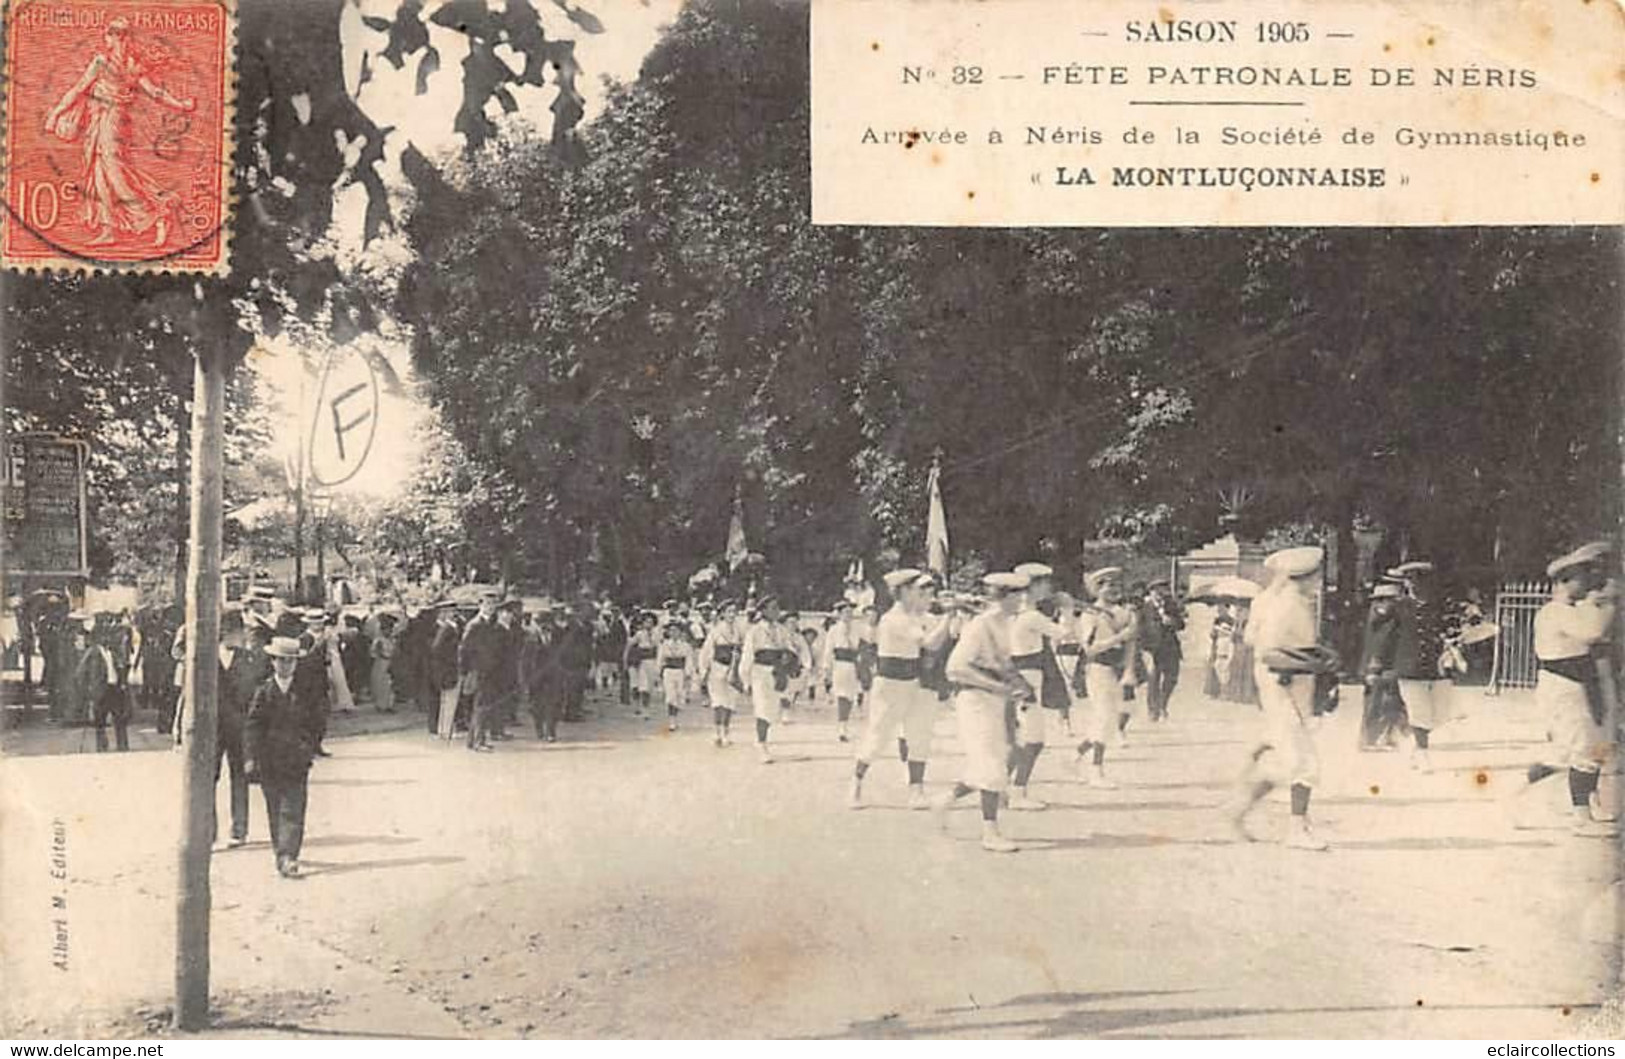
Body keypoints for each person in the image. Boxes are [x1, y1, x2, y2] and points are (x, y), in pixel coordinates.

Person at [41, 16, 195, 248]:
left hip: (114, 123)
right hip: (98, 121)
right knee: (99, 174)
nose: (119, 40)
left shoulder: (132, 66)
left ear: (127, 39)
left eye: (123, 36)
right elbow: (78, 89)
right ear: (109, 38)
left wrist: (181, 105)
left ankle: (157, 214)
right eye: (116, 35)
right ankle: (109, 229)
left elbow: (155, 92)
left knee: (114, 173)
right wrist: (56, 113)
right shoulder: (101, 63)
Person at [1229, 546, 1332, 851]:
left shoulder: (1290, 601)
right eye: (1317, 575)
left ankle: (1239, 808)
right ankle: (1296, 830)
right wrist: (1316, 663)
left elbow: (1278, 644)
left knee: (1283, 760)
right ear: (1308, 576)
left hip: (1293, 687)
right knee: (1304, 762)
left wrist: (1317, 656)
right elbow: (1268, 652)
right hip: (1283, 687)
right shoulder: (1287, 605)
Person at [1516, 542, 1618, 837]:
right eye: (1583, 578)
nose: (1589, 584)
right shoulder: (1554, 611)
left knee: (1598, 745)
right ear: (1565, 581)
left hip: (1582, 683)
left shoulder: (1574, 609)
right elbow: (1594, 632)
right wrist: (1605, 603)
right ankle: (1577, 815)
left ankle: (1587, 804)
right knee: (1575, 751)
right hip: (1563, 687)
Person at [931, 572, 1033, 853]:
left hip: (995, 699)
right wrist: (998, 688)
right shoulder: (981, 625)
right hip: (974, 700)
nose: (1022, 599)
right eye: (1016, 594)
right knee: (991, 765)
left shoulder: (1004, 623)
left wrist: (1017, 684)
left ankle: (946, 800)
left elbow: (1001, 662)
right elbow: (955, 669)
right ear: (1002, 597)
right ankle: (990, 832)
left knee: (993, 762)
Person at [849, 570, 952, 809]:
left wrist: (954, 615)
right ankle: (855, 782)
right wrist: (949, 615)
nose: (922, 595)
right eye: (917, 590)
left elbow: (942, 636)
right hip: (890, 684)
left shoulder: (918, 616)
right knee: (878, 738)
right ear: (904, 592)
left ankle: (916, 791)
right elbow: (930, 643)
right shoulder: (893, 619)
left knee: (919, 736)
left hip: (914, 682)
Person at [244, 637, 325, 879]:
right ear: (273, 662)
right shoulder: (264, 692)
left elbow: (317, 721)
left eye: (290, 661)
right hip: (269, 761)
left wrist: (310, 746)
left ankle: (289, 855)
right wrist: (250, 757)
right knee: (275, 807)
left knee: (294, 806)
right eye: (281, 661)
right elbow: (252, 726)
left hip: (296, 760)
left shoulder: (306, 692)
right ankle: (281, 851)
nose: (286, 666)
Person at [1005, 563, 1069, 810]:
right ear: (1033, 587)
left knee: (1024, 738)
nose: (1049, 587)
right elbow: (1064, 634)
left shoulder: (1016, 614)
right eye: (1044, 583)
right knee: (1034, 739)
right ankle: (1017, 792)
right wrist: (1068, 610)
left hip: (1023, 677)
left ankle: (1001, 786)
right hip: (1027, 678)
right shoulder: (1031, 616)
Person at [1387, 561, 1458, 772]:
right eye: (1410, 580)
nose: (1415, 585)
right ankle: (1423, 754)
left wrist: (1451, 651)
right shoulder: (1397, 607)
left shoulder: (1440, 606)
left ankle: (1410, 742)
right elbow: (1386, 637)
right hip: (1410, 668)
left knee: (1440, 716)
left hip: (1437, 668)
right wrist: (1380, 665)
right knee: (1420, 713)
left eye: (1420, 580)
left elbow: (1451, 632)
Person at [1072, 567, 1138, 789]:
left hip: (1117, 669)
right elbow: (1089, 649)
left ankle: (1077, 755)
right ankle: (1096, 771)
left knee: (1111, 720)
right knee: (1104, 719)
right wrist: (1118, 637)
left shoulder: (1125, 613)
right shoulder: (1091, 615)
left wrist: (1129, 671)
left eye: (1117, 586)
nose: (1113, 590)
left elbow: (1131, 644)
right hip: (1098, 669)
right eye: (1108, 586)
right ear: (1098, 589)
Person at [217, 609, 266, 848]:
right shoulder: (205, 659)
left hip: (239, 729)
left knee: (240, 778)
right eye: (227, 632)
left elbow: (255, 695)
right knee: (208, 779)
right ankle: (208, 832)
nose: (232, 636)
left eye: (235, 631)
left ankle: (239, 830)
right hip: (212, 731)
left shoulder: (251, 659)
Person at [742, 596, 795, 763]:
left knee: (772, 710)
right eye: (772, 608)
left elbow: (790, 647)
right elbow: (747, 655)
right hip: (760, 672)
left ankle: (762, 740)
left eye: (777, 608)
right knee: (762, 709)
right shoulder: (755, 631)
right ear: (763, 611)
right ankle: (761, 744)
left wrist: (788, 657)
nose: (776, 611)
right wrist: (745, 680)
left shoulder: (782, 629)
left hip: (777, 671)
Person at [1359, 582, 1407, 751]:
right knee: (1377, 703)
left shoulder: (1383, 617)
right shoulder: (1383, 620)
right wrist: (1373, 667)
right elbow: (1378, 644)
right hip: (1378, 664)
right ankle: (1371, 740)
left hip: (1384, 664)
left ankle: (1381, 738)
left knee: (1386, 701)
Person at [458, 592, 506, 752]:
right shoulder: (474, 625)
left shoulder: (494, 625)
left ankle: (473, 741)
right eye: (487, 604)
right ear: (480, 606)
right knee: (481, 706)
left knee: (483, 706)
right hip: (478, 671)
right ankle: (478, 741)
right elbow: (464, 649)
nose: (490, 608)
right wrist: (465, 671)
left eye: (493, 605)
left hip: (492, 671)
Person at [75, 620, 126, 751]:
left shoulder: (114, 652)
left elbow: (122, 667)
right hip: (100, 690)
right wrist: (88, 689)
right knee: (100, 720)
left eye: (109, 636)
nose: (107, 639)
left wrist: (123, 681)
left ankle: (122, 745)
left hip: (114, 688)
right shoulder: (92, 652)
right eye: (104, 636)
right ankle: (102, 745)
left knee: (119, 717)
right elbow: (80, 672)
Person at [700, 599, 744, 746]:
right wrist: (704, 671)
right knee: (719, 702)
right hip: (718, 668)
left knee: (730, 702)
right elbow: (706, 652)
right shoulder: (715, 631)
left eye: (734, 612)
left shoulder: (739, 630)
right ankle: (717, 732)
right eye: (729, 611)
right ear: (723, 614)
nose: (732, 615)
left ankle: (726, 732)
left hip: (733, 669)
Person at [1141, 580, 1186, 722]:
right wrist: (1144, 650)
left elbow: (1181, 625)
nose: (1160, 595)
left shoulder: (1171, 606)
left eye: (1162, 591)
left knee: (1172, 678)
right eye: (1157, 591)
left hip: (1170, 648)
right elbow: (1139, 629)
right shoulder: (1144, 608)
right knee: (1153, 680)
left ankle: (1163, 704)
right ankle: (1153, 710)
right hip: (1152, 649)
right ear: (1151, 592)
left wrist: (1171, 621)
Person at [822, 600, 862, 743]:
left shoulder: (857, 629)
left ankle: (845, 723)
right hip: (839, 664)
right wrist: (827, 669)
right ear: (839, 615)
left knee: (850, 696)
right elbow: (828, 650)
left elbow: (859, 648)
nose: (848, 615)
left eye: (850, 613)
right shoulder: (834, 630)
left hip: (852, 665)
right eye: (845, 613)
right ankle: (841, 727)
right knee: (841, 695)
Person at [429, 601, 462, 738]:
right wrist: (451, 657)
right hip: (449, 668)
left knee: (448, 701)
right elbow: (437, 648)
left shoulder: (451, 627)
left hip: (448, 667)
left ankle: (445, 729)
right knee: (449, 700)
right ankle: (446, 730)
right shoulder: (447, 628)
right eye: (451, 611)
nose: (454, 614)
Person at [657, 620, 695, 732]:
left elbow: (689, 660)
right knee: (671, 696)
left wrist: (688, 673)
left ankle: (676, 716)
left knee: (679, 696)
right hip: (668, 671)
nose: (673, 633)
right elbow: (660, 659)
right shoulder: (664, 645)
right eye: (671, 631)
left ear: (680, 632)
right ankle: (672, 721)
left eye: (676, 631)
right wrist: (659, 672)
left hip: (680, 671)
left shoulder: (685, 646)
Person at [625, 614, 659, 720]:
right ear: (643, 623)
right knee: (641, 687)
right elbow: (629, 645)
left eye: (651, 622)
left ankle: (647, 708)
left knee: (649, 688)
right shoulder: (639, 634)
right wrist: (626, 660)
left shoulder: (657, 634)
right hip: (641, 662)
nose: (649, 624)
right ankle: (640, 707)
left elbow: (658, 648)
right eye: (647, 622)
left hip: (651, 661)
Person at [370, 613, 398, 713]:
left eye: (390, 630)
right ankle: (381, 705)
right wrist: (386, 657)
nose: (389, 632)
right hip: (381, 663)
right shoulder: (379, 641)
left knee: (389, 684)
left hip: (389, 662)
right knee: (381, 684)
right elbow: (376, 653)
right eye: (387, 630)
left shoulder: (392, 640)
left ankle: (389, 704)